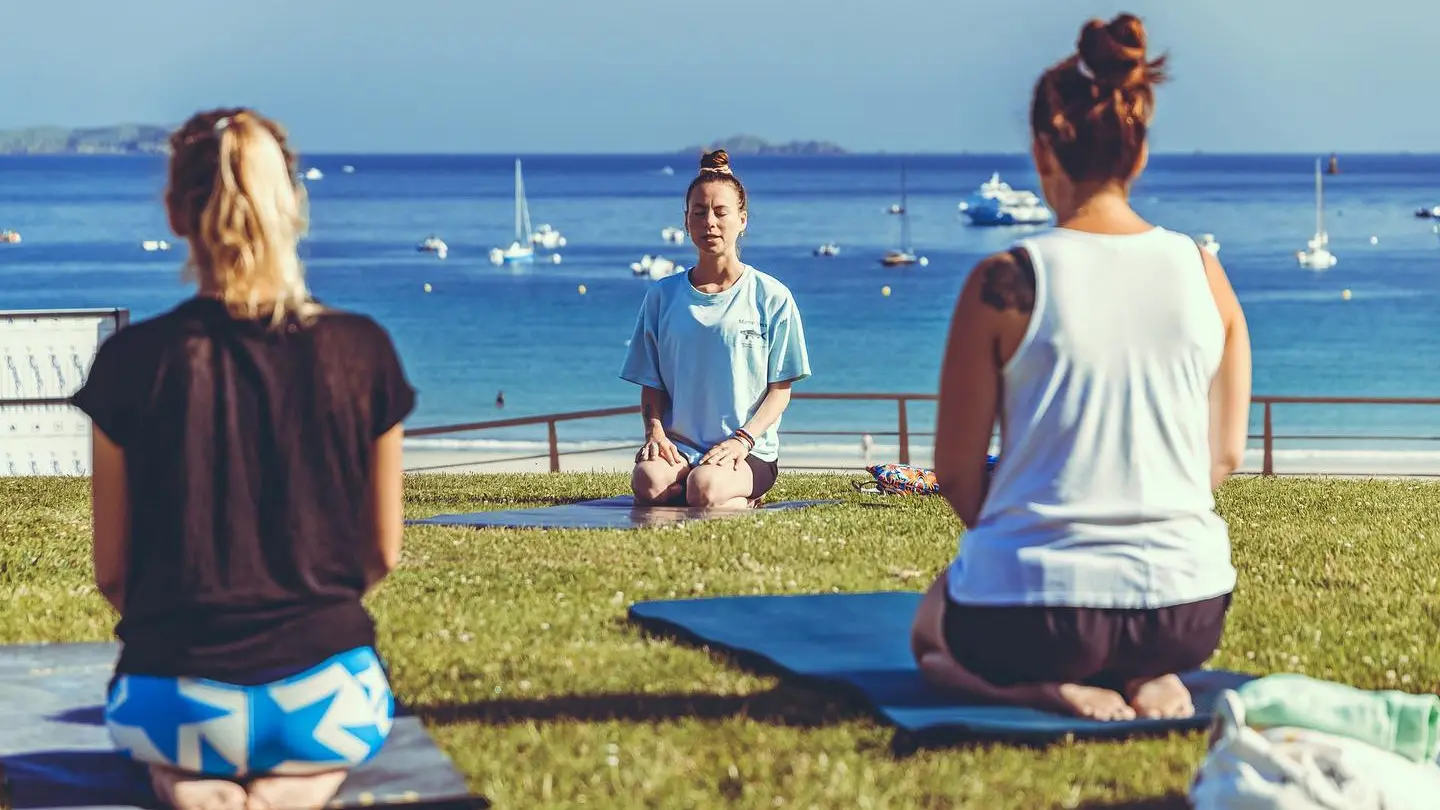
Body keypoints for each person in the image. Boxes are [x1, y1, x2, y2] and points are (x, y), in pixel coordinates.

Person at [909, 13, 1252, 722]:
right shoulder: (1206, 274)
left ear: (1042, 150)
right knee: (1133, 629)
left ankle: (1039, 690)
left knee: (929, 633)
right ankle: (1151, 675)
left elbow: (957, 473)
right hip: (1187, 610)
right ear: (1142, 151)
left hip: (1038, 620)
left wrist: (1025, 538)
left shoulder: (1004, 282)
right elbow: (1221, 455)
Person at [69, 108, 415, 810]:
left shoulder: (131, 363)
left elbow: (114, 575)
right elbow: (381, 554)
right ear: (294, 204)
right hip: (327, 704)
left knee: (174, 754)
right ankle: (302, 784)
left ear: (174, 212)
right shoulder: (363, 352)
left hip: (171, 706)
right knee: (321, 749)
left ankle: (190, 783)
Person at [620, 149, 811, 509]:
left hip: (748, 448)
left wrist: (742, 440)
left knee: (704, 488)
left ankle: (740, 493)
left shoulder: (772, 297)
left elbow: (780, 391)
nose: (710, 222)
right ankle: (712, 495)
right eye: (699, 212)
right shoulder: (662, 296)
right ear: (686, 221)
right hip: (681, 447)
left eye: (721, 212)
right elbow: (652, 382)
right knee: (646, 482)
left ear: (742, 220)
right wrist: (655, 433)